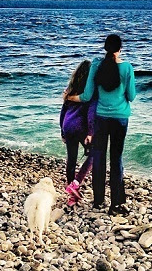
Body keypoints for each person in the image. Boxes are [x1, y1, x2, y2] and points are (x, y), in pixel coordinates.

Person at [68, 34, 136, 216]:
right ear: (120, 48)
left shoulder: (96, 65)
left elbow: (87, 96)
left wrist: (70, 97)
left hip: (100, 119)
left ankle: (98, 201)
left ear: (105, 48)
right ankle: (116, 204)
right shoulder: (127, 68)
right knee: (116, 159)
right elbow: (131, 96)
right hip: (120, 119)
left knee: (98, 158)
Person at [60, 60, 96, 206]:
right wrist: (91, 132)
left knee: (71, 160)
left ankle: (72, 197)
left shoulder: (70, 89)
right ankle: (76, 181)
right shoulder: (89, 92)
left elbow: (63, 112)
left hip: (68, 126)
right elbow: (90, 113)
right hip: (80, 127)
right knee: (95, 154)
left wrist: (62, 130)